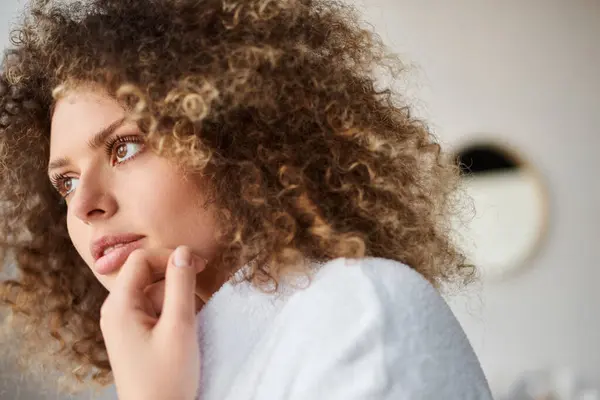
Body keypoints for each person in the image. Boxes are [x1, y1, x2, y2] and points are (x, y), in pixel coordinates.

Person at [0, 0, 492, 399]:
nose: (83, 204)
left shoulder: (359, 313)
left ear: (232, 139)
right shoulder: (162, 370)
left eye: (124, 147)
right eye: (64, 182)